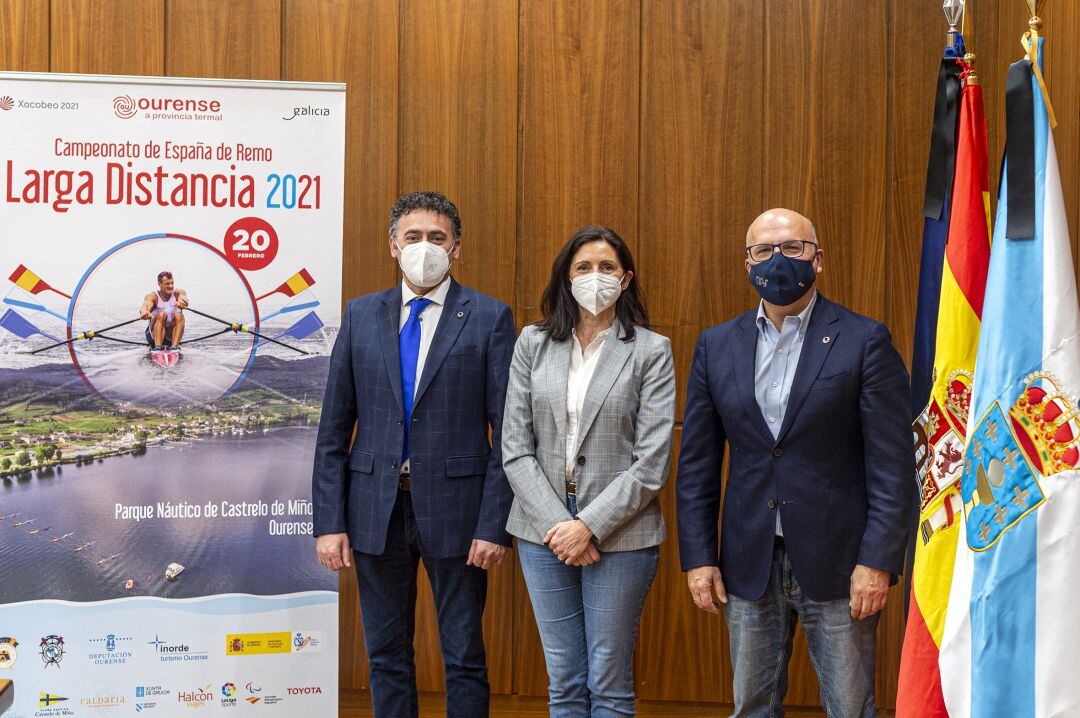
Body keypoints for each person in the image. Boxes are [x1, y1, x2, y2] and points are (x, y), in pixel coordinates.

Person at [676, 209, 914, 717]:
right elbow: (697, 465)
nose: (777, 260)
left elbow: (892, 467)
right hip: (748, 560)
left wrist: (877, 562)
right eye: (763, 250)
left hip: (841, 563)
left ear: (818, 259)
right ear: (747, 263)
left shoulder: (863, 340)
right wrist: (698, 557)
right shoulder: (716, 346)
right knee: (752, 706)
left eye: (792, 247)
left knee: (850, 707)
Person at [311, 191, 516, 718]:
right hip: (375, 508)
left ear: (457, 248)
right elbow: (333, 430)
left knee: (465, 657)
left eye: (437, 238)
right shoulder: (360, 316)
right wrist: (329, 523)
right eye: (413, 237)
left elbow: (509, 433)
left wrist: (494, 525)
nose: (425, 247)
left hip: (459, 511)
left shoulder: (490, 317)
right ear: (393, 246)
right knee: (386, 656)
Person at [503, 225, 675, 716]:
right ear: (566, 277)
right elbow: (515, 447)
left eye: (607, 268)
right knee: (564, 681)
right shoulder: (532, 342)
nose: (594, 277)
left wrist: (589, 526)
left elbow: (652, 461)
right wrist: (560, 526)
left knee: (609, 681)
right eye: (583, 268)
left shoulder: (650, 350)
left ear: (625, 280)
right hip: (543, 531)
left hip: (621, 533)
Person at [139, 271, 188, 350]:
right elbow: (145, 305)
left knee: (179, 315)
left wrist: (182, 302)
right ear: (159, 284)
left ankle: (174, 347)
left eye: (172, 283)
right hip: (153, 335)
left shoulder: (178, 292)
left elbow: (183, 297)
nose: (171, 286)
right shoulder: (153, 296)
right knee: (162, 315)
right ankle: (157, 347)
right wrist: (144, 311)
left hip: (170, 335)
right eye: (167, 284)